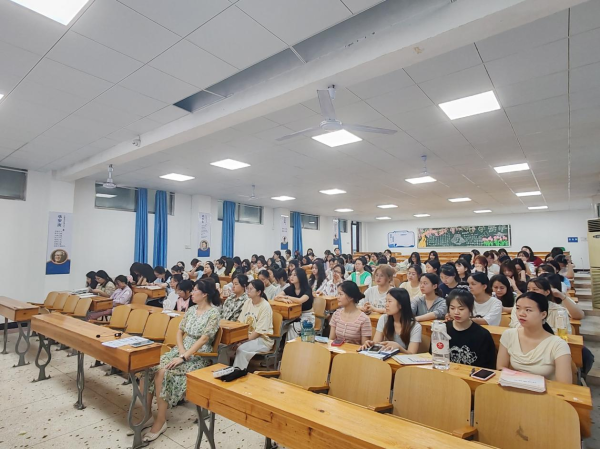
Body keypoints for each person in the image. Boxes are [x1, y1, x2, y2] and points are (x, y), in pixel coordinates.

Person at [141, 279, 221, 442]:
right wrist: (181, 350)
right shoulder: (191, 310)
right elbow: (179, 332)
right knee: (148, 368)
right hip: (182, 349)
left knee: (163, 373)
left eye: (195, 290)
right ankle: (147, 414)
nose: (192, 293)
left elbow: (204, 338)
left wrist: (185, 356)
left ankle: (161, 421)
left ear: (205, 294)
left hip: (198, 354)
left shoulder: (214, 313)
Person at [497, 292, 572, 383]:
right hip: (514, 387)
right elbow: (500, 368)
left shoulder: (558, 345)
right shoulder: (509, 335)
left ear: (543, 314)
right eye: (518, 308)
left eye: (528, 310)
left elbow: (564, 384)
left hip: (547, 391)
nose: (521, 314)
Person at [441, 290, 496, 369]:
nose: (456, 312)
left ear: (471, 308)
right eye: (452, 308)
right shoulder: (442, 329)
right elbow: (433, 356)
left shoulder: (482, 335)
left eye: (461, 309)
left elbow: (489, 366)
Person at [361, 288, 421, 353]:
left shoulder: (415, 326)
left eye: (389, 301)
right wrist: (371, 344)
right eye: (386, 301)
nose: (386, 305)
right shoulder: (384, 319)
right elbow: (377, 343)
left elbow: (412, 354)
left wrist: (399, 347)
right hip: (386, 357)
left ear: (401, 305)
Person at [230, 280, 274, 369]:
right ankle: (223, 371)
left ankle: (238, 372)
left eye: (251, 289)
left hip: (262, 340)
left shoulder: (265, 306)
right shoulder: (248, 302)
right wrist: (236, 339)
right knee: (225, 347)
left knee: (241, 349)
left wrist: (241, 342)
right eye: (247, 289)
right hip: (246, 337)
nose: (248, 291)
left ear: (258, 292)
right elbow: (240, 322)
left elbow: (258, 332)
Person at [275, 268, 314, 339]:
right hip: (295, 316)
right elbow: (276, 297)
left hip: (307, 317)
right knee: (281, 326)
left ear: (301, 277)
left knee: (292, 327)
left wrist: (287, 297)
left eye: (295, 275)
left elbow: (300, 300)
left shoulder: (307, 289)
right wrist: (283, 299)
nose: (291, 277)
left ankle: (291, 345)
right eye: (291, 275)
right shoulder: (291, 288)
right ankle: (282, 345)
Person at [329, 281, 371, 345]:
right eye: (338, 294)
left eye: (340, 294)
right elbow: (331, 340)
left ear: (351, 297)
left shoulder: (364, 319)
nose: (337, 297)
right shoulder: (336, 314)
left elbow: (365, 347)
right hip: (336, 350)